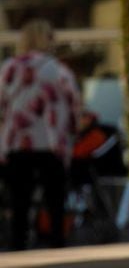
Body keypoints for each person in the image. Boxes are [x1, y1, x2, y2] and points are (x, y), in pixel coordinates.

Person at [0, 19, 81, 249]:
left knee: (19, 202)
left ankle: (18, 246)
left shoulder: (9, 68)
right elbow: (74, 102)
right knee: (55, 200)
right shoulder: (58, 69)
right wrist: (73, 130)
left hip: (17, 144)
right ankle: (57, 244)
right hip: (51, 143)